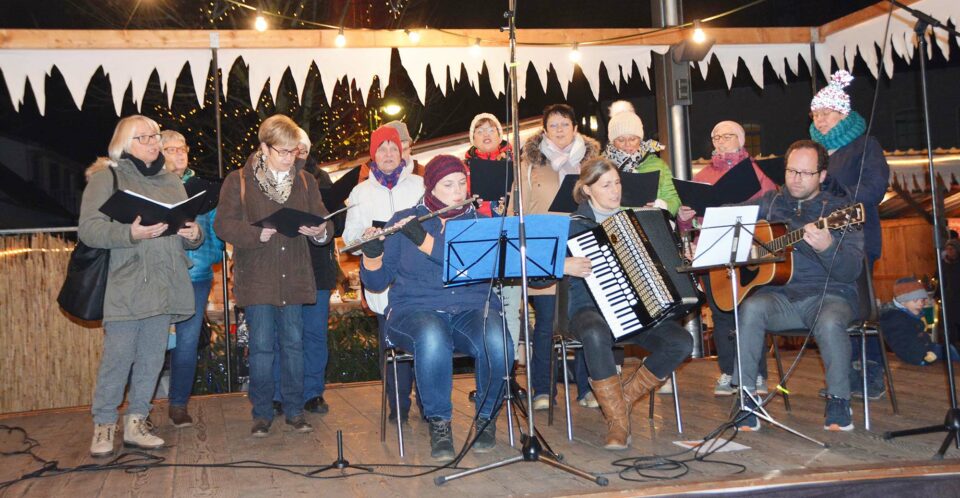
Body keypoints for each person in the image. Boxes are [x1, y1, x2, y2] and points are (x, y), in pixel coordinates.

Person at [360, 155, 513, 461]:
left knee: (498, 342)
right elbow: (376, 282)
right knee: (433, 337)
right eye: (448, 184)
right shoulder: (404, 220)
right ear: (430, 187)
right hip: (415, 309)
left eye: (461, 183)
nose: (457, 191)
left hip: (470, 307)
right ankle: (439, 423)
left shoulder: (479, 223)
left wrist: (425, 241)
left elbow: (467, 266)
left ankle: (486, 418)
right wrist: (372, 254)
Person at [81, 115, 203, 457]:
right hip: (126, 284)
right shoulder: (108, 178)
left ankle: (137, 422)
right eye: (144, 137)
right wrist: (129, 233)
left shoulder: (171, 180)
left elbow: (187, 231)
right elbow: (89, 229)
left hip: (166, 282)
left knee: (152, 357)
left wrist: (194, 234)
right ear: (124, 143)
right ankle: (104, 424)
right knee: (118, 357)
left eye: (155, 136)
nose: (153, 143)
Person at [733, 140, 864, 432]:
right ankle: (746, 399)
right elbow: (732, 218)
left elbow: (850, 271)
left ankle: (839, 400)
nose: (796, 178)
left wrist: (827, 248)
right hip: (781, 296)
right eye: (791, 171)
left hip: (830, 296)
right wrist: (700, 214)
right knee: (751, 307)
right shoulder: (771, 202)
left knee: (829, 322)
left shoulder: (843, 211)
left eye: (805, 173)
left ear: (822, 175)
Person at [561, 157, 692, 450]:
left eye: (617, 183)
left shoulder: (638, 219)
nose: (615, 190)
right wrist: (563, 264)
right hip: (588, 309)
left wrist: (680, 259)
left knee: (681, 341)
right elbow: (536, 270)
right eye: (606, 185)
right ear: (587, 190)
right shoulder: (572, 225)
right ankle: (618, 424)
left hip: (637, 310)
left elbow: (665, 263)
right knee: (594, 333)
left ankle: (620, 403)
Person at [215, 114, 333, 437]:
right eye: (283, 151)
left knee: (294, 345)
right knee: (262, 348)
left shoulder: (305, 181)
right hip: (258, 278)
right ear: (264, 148)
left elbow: (325, 220)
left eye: (294, 151)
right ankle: (262, 412)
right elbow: (222, 224)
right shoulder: (238, 181)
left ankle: (295, 411)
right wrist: (255, 234)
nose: (290, 158)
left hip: (294, 276)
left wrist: (320, 231)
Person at [676, 120, 778, 397]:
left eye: (728, 136)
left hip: (748, 253)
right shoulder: (703, 175)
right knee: (721, 314)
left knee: (750, 313)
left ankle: (756, 374)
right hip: (713, 251)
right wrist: (684, 217)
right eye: (716, 137)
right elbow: (687, 225)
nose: (721, 141)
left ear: (741, 140)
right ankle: (729, 371)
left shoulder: (756, 172)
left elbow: (773, 207)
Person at [512, 103, 601, 411]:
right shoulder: (530, 163)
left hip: (582, 245)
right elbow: (517, 208)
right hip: (545, 248)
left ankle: (587, 388)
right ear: (545, 130)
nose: (560, 129)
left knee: (586, 318)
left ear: (575, 128)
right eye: (553, 125)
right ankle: (542, 389)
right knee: (546, 323)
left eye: (565, 124)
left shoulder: (591, 162)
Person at [808, 70, 891, 398]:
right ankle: (842, 375)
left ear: (843, 114)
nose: (819, 119)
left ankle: (871, 372)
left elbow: (874, 188)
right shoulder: (814, 153)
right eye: (815, 114)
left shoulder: (865, 145)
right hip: (823, 244)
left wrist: (834, 194)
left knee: (860, 308)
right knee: (832, 310)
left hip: (857, 241)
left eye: (825, 113)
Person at [343, 125, 425, 423]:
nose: (388, 154)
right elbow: (349, 240)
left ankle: (429, 405)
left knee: (425, 342)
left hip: (418, 280)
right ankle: (398, 406)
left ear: (402, 151)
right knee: (392, 346)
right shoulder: (360, 192)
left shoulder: (420, 185)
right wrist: (366, 237)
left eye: (393, 148)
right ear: (373, 155)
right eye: (382, 149)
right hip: (383, 283)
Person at [270, 128, 341, 416]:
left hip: (317, 268)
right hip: (284, 269)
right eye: (291, 148)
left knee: (314, 334)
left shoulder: (321, 180)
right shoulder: (270, 179)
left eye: (301, 148)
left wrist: (323, 226)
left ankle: (313, 392)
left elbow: (339, 223)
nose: (296, 153)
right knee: (283, 335)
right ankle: (278, 393)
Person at [159, 130, 225, 428]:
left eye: (182, 148)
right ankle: (139, 407)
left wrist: (203, 245)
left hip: (196, 276)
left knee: (186, 343)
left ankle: (178, 405)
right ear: (159, 153)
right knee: (151, 342)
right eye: (171, 149)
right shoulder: (151, 188)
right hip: (158, 276)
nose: (179, 154)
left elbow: (217, 234)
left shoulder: (203, 190)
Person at [602, 104, 679, 216]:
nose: (627, 144)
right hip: (614, 222)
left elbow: (674, 199)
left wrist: (661, 206)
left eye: (633, 139)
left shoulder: (657, 164)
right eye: (621, 140)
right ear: (612, 141)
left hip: (651, 222)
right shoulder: (601, 166)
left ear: (640, 139)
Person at [880, 277, 959, 366]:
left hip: (925, 349)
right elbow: (901, 343)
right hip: (918, 354)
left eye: (922, 300)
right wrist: (921, 358)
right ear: (902, 301)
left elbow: (928, 322)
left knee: (950, 350)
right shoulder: (895, 318)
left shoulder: (909, 312)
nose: (920, 303)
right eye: (915, 300)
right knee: (949, 351)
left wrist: (929, 306)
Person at [464, 112, 513, 217]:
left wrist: (512, 197)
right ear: (473, 140)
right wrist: (470, 204)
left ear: (499, 136)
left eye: (491, 130)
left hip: (512, 219)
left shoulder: (516, 162)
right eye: (480, 131)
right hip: (479, 222)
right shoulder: (464, 168)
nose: (486, 134)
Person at [359, 120, 425, 181]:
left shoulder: (422, 174)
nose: (401, 156)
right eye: (395, 150)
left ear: (410, 149)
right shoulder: (364, 175)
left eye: (404, 150)